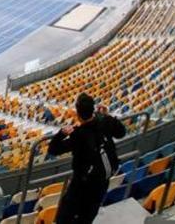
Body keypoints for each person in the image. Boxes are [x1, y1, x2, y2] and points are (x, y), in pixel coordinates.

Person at [47, 93, 127, 224]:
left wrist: (61, 134)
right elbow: (121, 133)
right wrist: (106, 116)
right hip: (101, 181)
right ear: (93, 109)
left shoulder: (78, 134)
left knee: (64, 217)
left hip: (81, 184)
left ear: (78, 114)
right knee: (87, 217)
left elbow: (53, 150)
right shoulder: (105, 122)